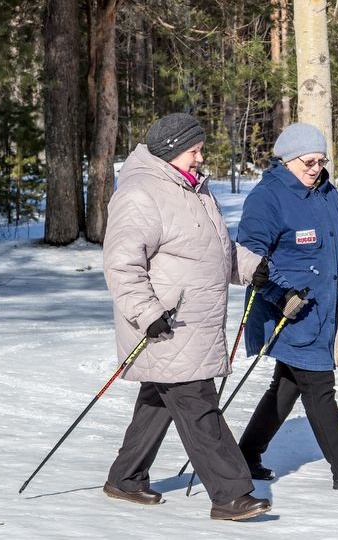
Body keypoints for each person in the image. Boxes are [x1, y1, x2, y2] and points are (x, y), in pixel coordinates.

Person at [101, 112, 273, 521]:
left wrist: (248, 266)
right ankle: (231, 493)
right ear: (169, 151)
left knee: (159, 401)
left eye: (199, 150)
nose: (199, 157)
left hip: (193, 321)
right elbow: (121, 264)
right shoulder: (141, 194)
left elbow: (212, 248)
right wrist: (147, 313)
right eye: (193, 150)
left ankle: (125, 478)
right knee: (198, 405)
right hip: (166, 325)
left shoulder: (192, 189)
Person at [235, 122, 338, 491]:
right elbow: (249, 258)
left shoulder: (325, 192)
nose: (316, 167)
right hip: (286, 313)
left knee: (286, 386)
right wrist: (281, 294)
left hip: (321, 312)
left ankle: (244, 457)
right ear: (286, 160)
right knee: (319, 386)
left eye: (321, 160)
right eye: (308, 161)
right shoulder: (267, 197)